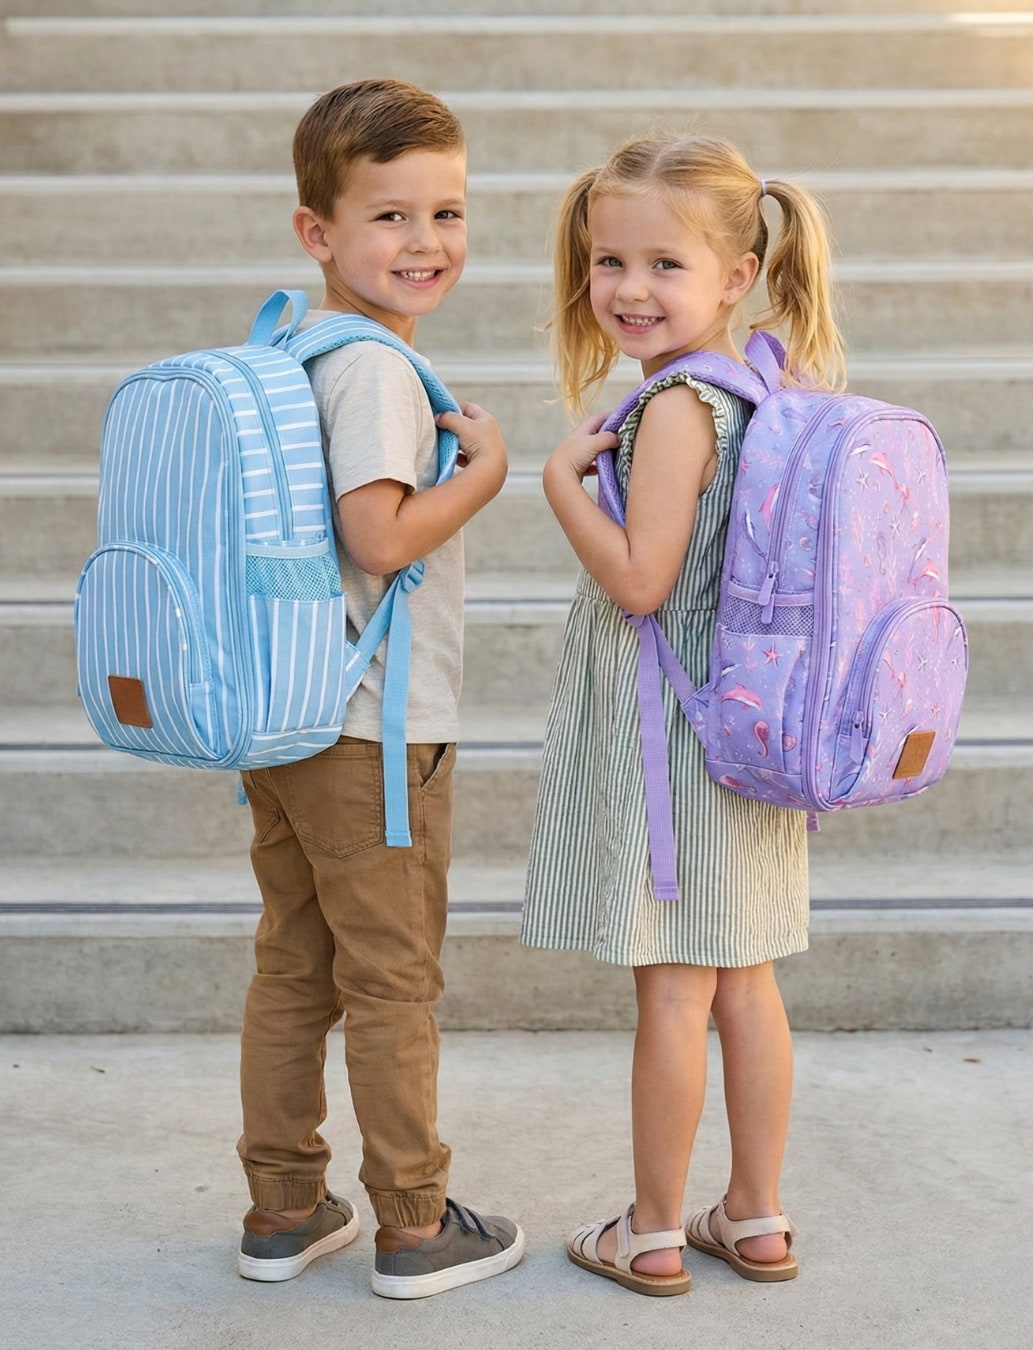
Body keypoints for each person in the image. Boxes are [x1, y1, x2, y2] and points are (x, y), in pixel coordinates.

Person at [521, 132, 844, 1296]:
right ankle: (754, 1216)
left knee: (673, 986)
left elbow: (640, 580)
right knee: (746, 981)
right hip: (749, 724)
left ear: (738, 273)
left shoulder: (675, 408)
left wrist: (560, 485)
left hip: (681, 738)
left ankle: (652, 1230)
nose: (629, 289)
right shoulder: (765, 389)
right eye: (610, 260)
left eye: (665, 264)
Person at [234, 79, 523, 1300]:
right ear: (319, 231)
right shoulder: (375, 372)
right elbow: (381, 537)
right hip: (373, 733)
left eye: (446, 213)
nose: (426, 242)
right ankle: (414, 1221)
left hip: (287, 715)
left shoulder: (289, 346)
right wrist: (487, 473)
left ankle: (284, 1206)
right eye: (390, 216)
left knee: (294, 969)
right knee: (392, 982)